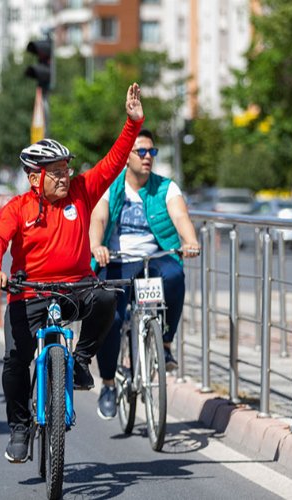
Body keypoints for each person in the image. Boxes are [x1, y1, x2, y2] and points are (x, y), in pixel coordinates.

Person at [0, 83, 144, 463]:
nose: (63, 176)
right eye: (54, 172)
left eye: (65, 169)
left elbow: (113, 161)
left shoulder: (81, 192)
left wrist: (132, 124)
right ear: (34, 177)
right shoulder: (17, 207)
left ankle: (82, 361)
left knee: (107, 295)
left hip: (76, 288)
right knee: (14, 360)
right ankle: (20, 428)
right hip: (29, 293)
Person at [89, 128, 200, 420]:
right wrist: (97, 245)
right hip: (117, 260)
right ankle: (109, 384)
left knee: (175, 276)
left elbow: (180, 216)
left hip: (154, 258)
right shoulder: (111, 186)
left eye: (152, 151)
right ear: (127, 157)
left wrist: (189, 241)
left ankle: (164, 343)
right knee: (110, 316)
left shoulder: (166, 187)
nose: (148, 157)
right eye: (142, 151)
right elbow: (98, 217)